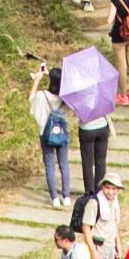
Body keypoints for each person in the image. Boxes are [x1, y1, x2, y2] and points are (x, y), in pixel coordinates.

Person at [32, 65, 74, 207]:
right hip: (62, 133)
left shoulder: (41, 96)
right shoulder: (66, 98)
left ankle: (54, 197)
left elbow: (31, 100)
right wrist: (54, 75)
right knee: (64, 165)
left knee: (50, 166)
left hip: (46, 133)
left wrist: (37, 80)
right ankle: (66, 196)